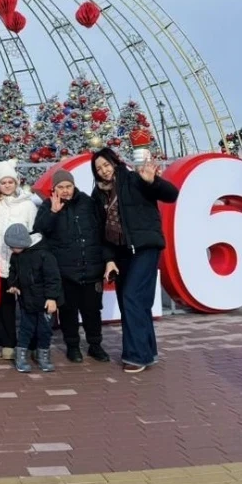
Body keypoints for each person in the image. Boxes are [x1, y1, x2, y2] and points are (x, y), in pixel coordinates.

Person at [91, 147, 179, 374]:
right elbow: (101, 230)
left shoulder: (134, 179)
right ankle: (148, 351)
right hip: (120, 253)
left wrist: (153, 182)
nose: (104, 171)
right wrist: (109, 259)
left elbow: (171, 194)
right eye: (99, 168)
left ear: (115, 162)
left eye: (106, 165)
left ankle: (136, 355)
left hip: (144, 247)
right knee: (133, 302)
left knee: (132, 296)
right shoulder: (98, 194)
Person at [34, 169, 116, 364]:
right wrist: (53, 213)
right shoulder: (47, 206)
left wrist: (108, 260)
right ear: (54, 189)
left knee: (92, 310)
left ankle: (95, 345)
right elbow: (39, 232)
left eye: (68, 186)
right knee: (68, 311)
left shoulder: (87, 203)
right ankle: (72, 347)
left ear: (74, 186)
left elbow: (101, 233)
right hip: (65, 272)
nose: (65, 191)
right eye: (60, 187)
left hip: (91, 268)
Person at [0, 159, 38, 360]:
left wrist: (28, 250)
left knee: (27, 303)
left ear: (16, 182)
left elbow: (35, 232)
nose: (7, 186)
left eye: (10, 182)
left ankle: (30, 341)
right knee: (3, 304)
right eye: (3, 182)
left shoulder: (28, 205)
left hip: (22, 261)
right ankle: (7, 342)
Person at [4, 223, 62, 373]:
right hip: (27, 300)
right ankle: (21, 356)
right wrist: (13, 284)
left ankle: (43, 355)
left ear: (23, 243)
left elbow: (53, 278)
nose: (11, 249)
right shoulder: (17, 256)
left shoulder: (44, 254)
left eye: (13, 246)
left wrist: (52, 298)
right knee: (25, 329)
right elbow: (13, 272)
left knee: (45, 331)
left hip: (45, 303)